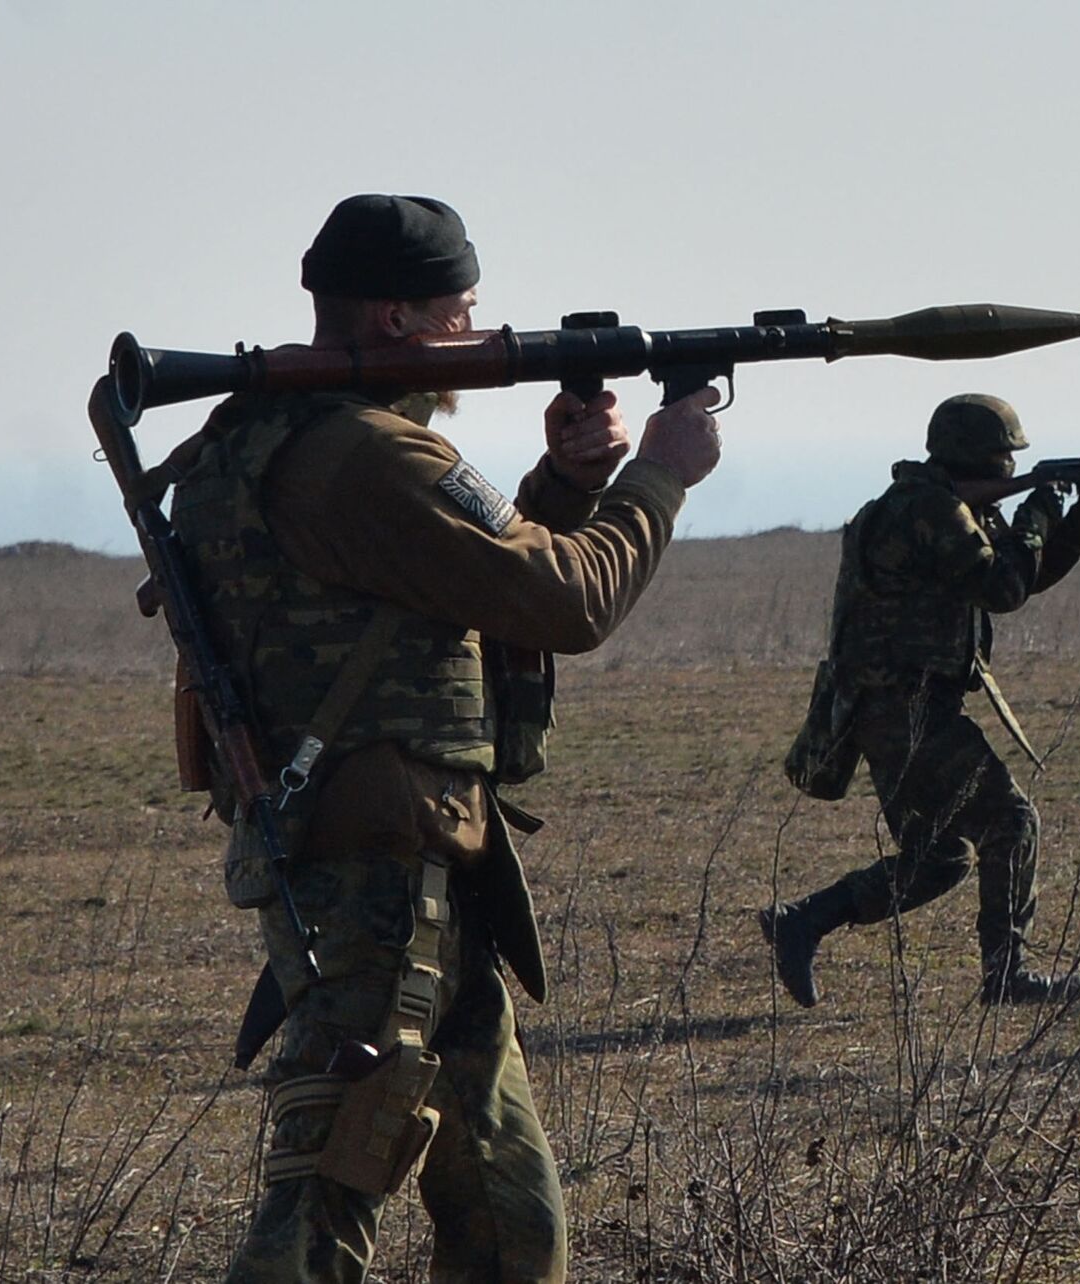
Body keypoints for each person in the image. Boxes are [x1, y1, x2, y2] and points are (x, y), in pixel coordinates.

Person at [170, 194, 720, 1283]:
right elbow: (565, 603)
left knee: (509, 1216)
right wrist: (660, 474)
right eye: (466, 312)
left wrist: (565, 486)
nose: (484, 335)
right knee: (326, 1200)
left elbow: (443, 585)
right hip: (375, 884)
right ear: (397, 320)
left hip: (387, 864)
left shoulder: (261, 438)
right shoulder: (369, 457)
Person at [759, 394, 1080, 1009]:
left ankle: (803, 920)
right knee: (1012, 822)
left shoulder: (928, 505)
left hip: (894, 708)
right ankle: (1006, 976)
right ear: (981, 457)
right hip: (909, 709)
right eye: (1007, 458)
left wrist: (1078, 519)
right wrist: (1039, 511)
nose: (1012, 469)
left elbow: (1018, 576)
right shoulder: (931, 511)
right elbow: (1003, 586)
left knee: (938, 858)